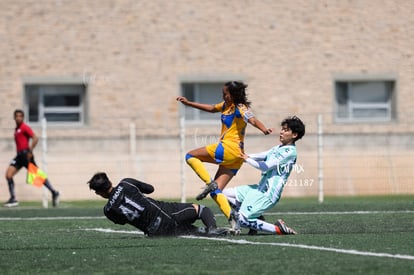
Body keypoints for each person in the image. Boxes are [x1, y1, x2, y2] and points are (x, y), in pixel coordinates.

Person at [176, 81, 273, 229]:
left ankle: (210, 183)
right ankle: (235, 219)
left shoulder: (240, 107)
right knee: (216, 192)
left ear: (233, 95)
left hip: (228, 148)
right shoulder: (225, 106)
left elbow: (252, 119)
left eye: (225, 94)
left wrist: (264, 129)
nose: (223, 96)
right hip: (237, 157)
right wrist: (189, 103)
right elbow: (210, 108)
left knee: (190, 156)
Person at [223, 116, 305, 235]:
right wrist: (242, 156)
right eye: (282, 129)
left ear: (294, 135)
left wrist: (246, 158)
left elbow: (265, 166)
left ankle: (278, 229)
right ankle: (256, 218)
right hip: (258, 189)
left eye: (286, 130)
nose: (281, 132)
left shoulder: (290, 152)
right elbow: (261, 155)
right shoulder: (279, 148)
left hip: (268, 194)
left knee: (240, 220)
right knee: (222, 194)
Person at [87, 172, 228, 237]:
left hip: (154, 232)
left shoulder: (108, 210)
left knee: (188, 231)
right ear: (110, 182)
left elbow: (122, 221)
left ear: (99, 193)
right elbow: (150, 189)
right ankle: (212, 229)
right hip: (165, 213)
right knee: (201, 209)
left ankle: (201, 232)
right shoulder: (126, 183)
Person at [4, 109, 60, 207]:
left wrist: (30, 151)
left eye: (20, 116)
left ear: (23, 117)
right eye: (16, 116)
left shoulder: (25, 127)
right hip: (19, 156)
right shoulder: (17, 129)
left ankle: (54, 192)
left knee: (37, 176)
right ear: (14, 117)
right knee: (8, 175)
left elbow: (35, 138)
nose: (18, 118)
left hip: (26, 155)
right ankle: (13, 199)